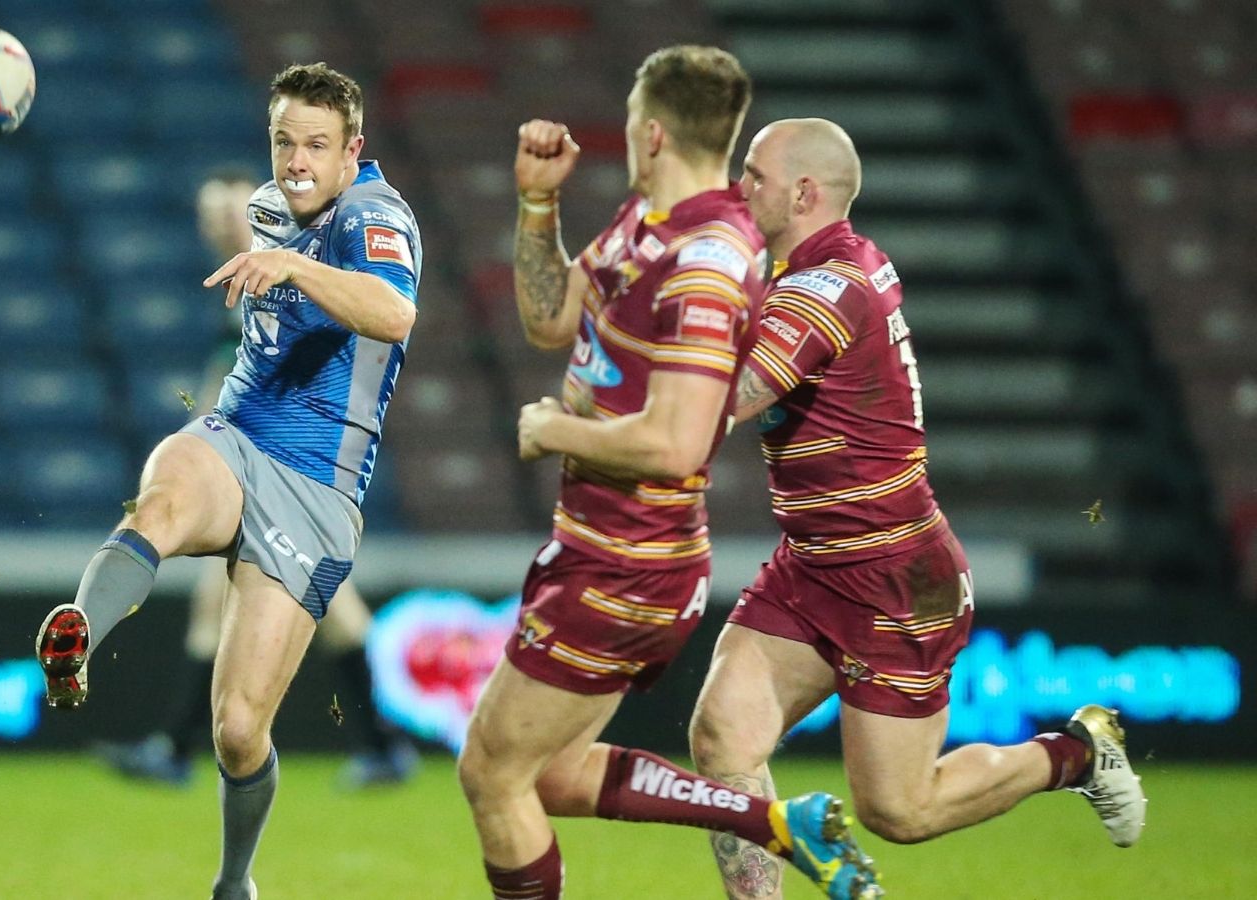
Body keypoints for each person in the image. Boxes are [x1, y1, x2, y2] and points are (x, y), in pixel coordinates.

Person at [456, 46, 882, 900]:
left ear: (651, 131)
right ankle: (768, 822)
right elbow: (549, 320)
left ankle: (767, 821)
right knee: (548, 774)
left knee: (491, 773)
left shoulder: (710, 259)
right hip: (602, 547)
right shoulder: (644, 221)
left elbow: (681, 442)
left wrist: (557, 428)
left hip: (628, 557)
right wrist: (538, 202)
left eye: (627, 115)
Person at [687, 118, 1147, 899]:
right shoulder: (823, 267)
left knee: (900, 810)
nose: (740, 189)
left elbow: (722, 404)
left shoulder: (823, 288)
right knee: (722, 736)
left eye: (755, 175)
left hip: (894, 575)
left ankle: (1076, 754)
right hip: (814, 565)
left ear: (805, 192)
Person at [34, 62, 422, 900]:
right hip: (235, 436)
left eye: (316, 144)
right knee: (164, 494)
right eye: (284, 140)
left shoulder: (376, 215)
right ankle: (77, 638)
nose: (297, 160)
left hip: (316, 489)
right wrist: (263, 255)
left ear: (353, 148)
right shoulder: (267, 209)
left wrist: (291, 268)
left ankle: (235, 882)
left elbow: (393, 315)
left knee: (240, 733)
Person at [94, 169, 418, 790]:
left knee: (230, 611)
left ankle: (177, 750)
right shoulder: (249, 291)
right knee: (331, 614)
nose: (219, 226)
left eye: (229, 213)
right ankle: (382, 746)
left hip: (295, 474)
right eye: (209, 216)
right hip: (269, 473)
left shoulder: (293, 276)